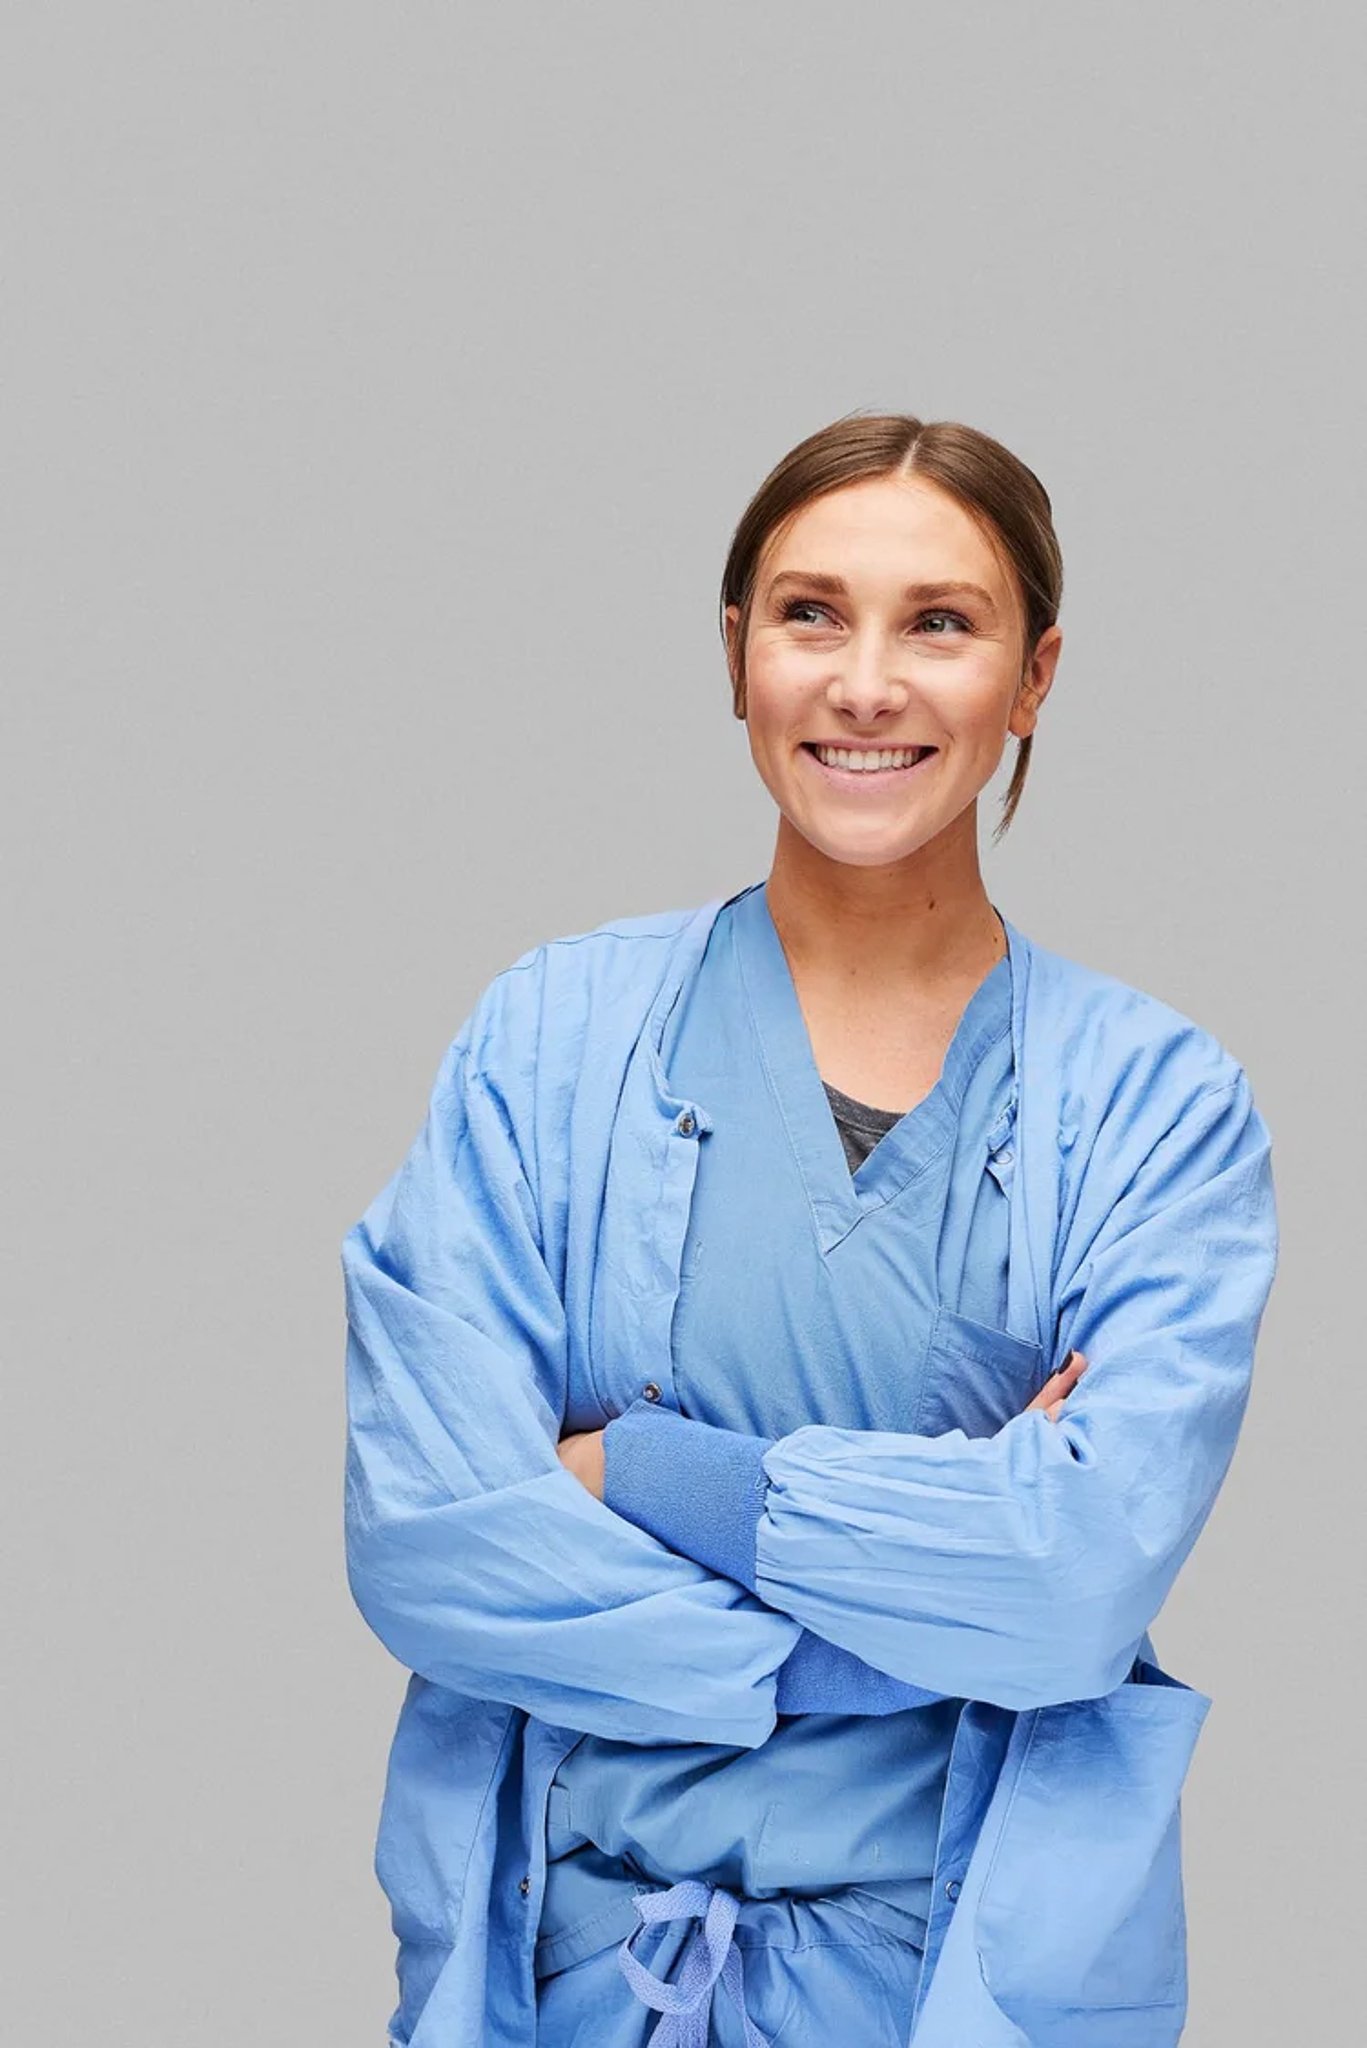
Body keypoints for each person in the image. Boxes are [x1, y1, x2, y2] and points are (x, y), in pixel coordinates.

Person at [341, 412, 1279, 2048]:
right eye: (810, 613)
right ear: (735, 655)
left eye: (941, 622)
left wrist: (641, 1473)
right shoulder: (548, 1040)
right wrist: (926, 1603)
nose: (866, 683)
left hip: (955, 1996)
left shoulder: (1152, 1109)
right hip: (571, 1989)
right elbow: (431, 1544)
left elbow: (1067, 1593)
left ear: (1034, 678)